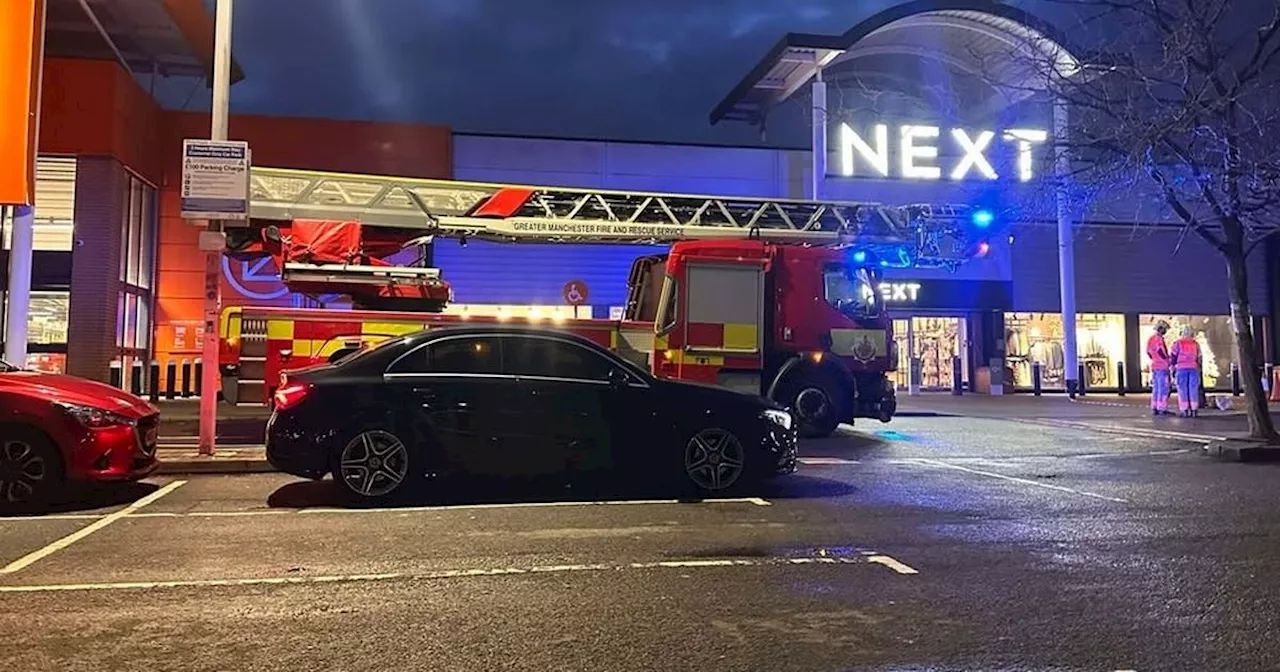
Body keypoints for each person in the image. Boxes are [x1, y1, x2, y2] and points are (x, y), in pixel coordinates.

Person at [1170, 325, 1203, 417]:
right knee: (1193, 389)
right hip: (1193, 368)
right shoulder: (1195, 344)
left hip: (1181, 368)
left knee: (1182, 389)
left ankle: (1185, 410)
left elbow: (1173, 356)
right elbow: (1199, 357)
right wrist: (1199, 367)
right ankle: (1194, 409)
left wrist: (1172, 367)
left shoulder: (1178, 343)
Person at [1146, 320, 1172, 415]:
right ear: (1161, 329)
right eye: (1165, 329)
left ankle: (1154, 407)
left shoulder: (1151, 339)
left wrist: (1154, 358)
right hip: (1162, 366)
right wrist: (1166, 359)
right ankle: (1162, 408)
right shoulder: (1159, 339)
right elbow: (1160, 350)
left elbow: (1148, 352)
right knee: (1163, 388)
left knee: (1156, 388)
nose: (1165, 331)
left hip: (1154, 366)